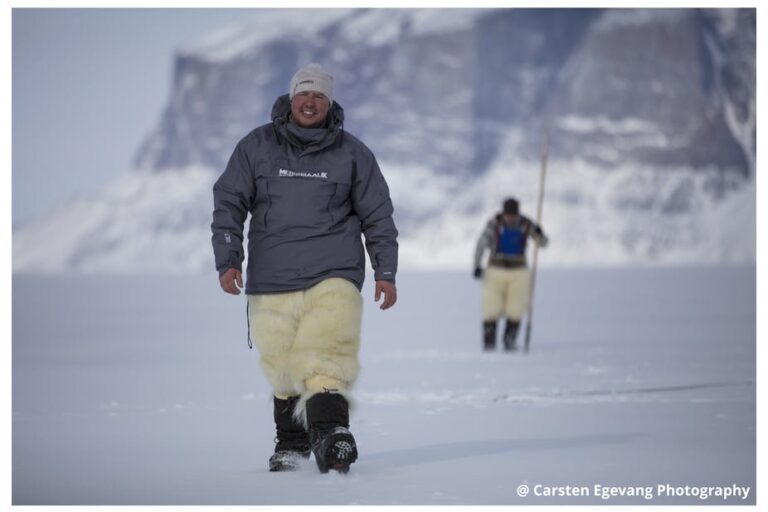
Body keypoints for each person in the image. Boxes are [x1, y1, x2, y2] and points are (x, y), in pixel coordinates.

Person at [211, 63, 398, 474]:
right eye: (304, 94)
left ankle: (333, 438)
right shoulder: (256, 146)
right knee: (282, 367)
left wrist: (385, 271)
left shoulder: (353, 154)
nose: (310, 103)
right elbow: (229, 203)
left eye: (319, 96)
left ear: (330, 104)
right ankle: (292, 444)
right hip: (271, 279)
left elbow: (378, 216)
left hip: (334, 273)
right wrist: (228, 259)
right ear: (291, 99)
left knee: (326, 358)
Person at [473, 197, 548, 351]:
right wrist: (477, 265)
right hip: (495, 269)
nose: (510, 218)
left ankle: (509, 342)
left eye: (513, 215)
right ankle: (489, 344)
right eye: (508, 215)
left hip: (519, 271)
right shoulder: (494, 224)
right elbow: (481, 244)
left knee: (516, 308)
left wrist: (540, 234)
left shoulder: (526, 224)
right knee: (491, 308)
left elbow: (543, 243)